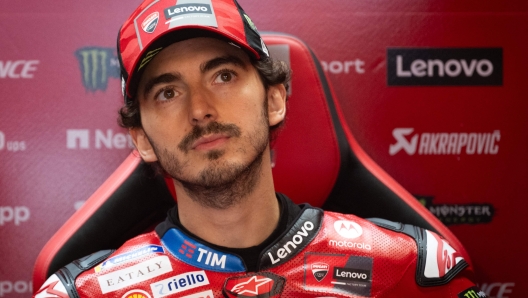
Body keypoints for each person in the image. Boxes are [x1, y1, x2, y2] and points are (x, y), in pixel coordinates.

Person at [35, 0, 486, 297]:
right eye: (167, 93)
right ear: (141, 140)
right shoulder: (88, 292)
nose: (201, 109)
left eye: (223, 76)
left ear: (274, 99)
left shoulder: (406, 265)